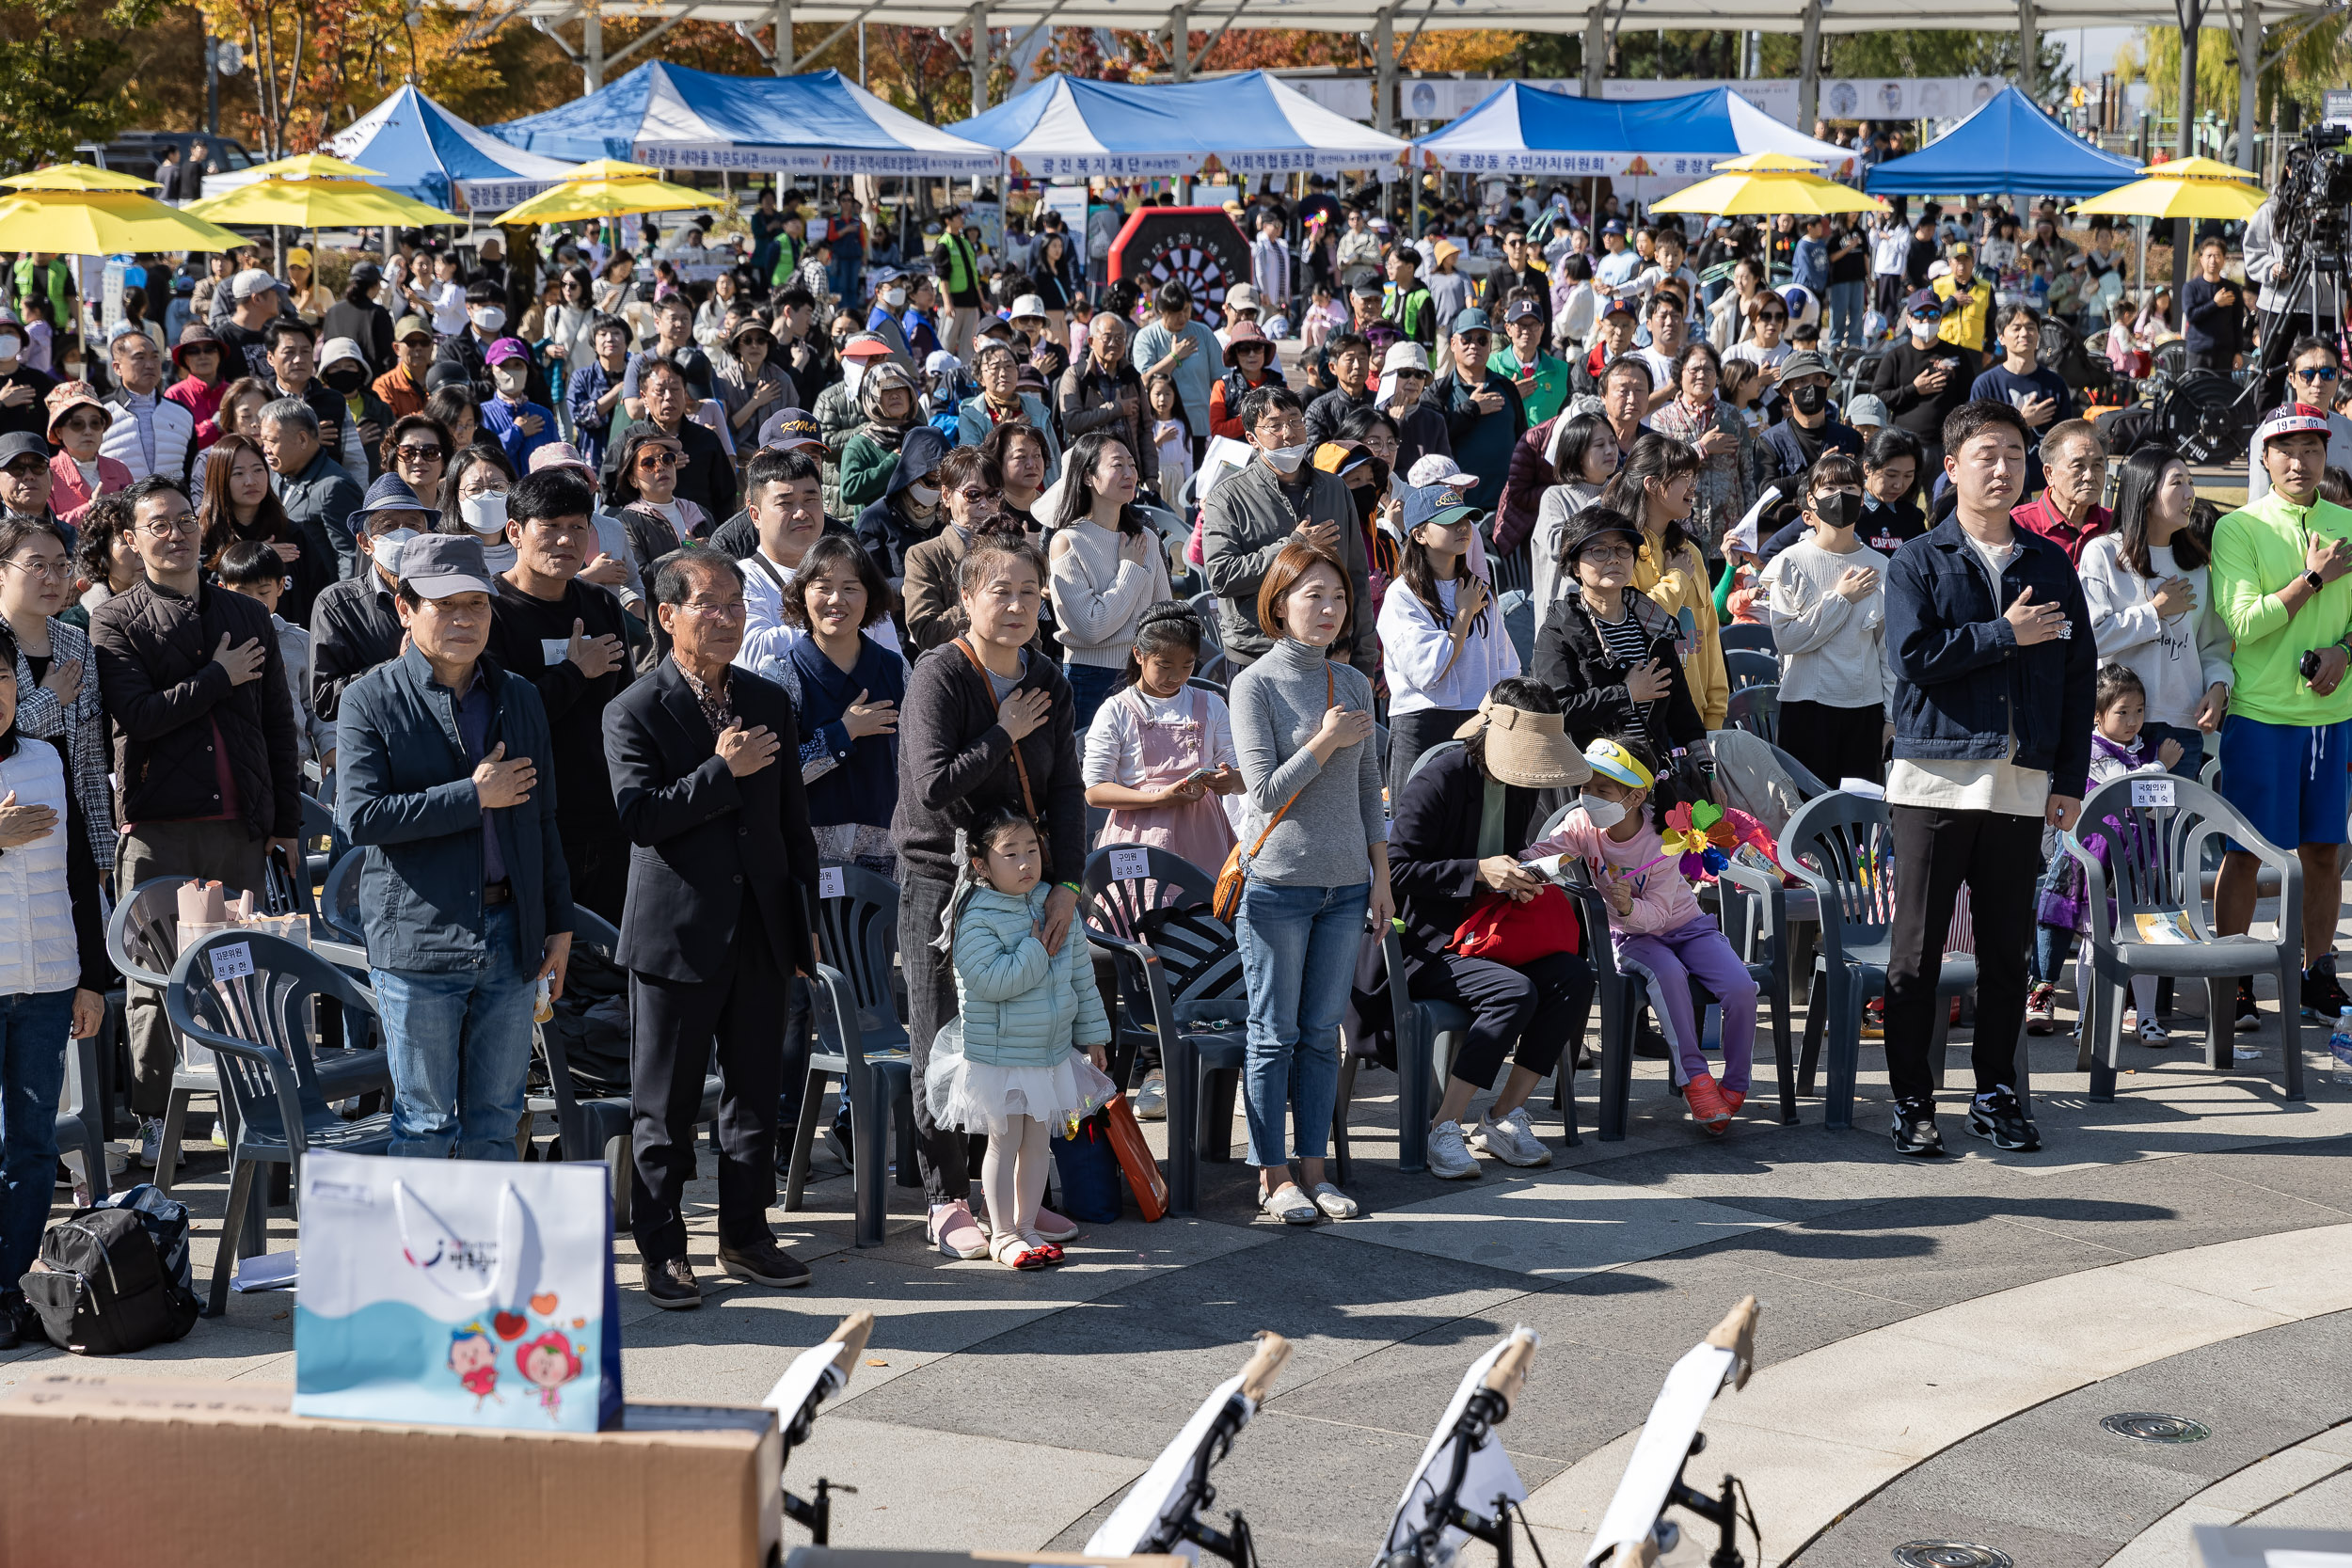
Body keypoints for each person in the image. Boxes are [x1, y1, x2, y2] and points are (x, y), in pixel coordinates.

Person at [602, 547, 819, 1305]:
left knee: (755, 1093)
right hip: (675, 936)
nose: (728, 617)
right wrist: (721, 771)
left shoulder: (768, 699)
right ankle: (663, 1248)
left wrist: (802, 924)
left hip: (761, 927)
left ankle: (746, 1233)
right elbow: (639, 816)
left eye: (736, 603)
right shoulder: (633, 707)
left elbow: (796, 824)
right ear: (668, 615)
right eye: (711, 604)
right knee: (663, 1106)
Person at [1881, 400, 2094, 1157]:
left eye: (2014, 453)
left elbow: (2077, 676)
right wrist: (2003, 633)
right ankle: (1911, 1098)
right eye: (1986, 454)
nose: (2003, 468)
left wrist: (2069, 776)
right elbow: (1912, 656)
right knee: (1917, 951)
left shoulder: (2050, 562)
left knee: (2008, 953)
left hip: (2022, 781)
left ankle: (1996, 1092)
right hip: (1935, 778)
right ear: (1953, 467)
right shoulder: (1917, 559)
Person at [338, 531, 572, 1162]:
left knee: (497, 1119)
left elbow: (544, 819)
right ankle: (419, 1261)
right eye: (447, 605)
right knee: (424, 1122)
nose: (466, 618)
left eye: (478, 603)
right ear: (405, 609)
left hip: (511, 934)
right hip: (419, 937)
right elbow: (359, 816)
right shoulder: (370, 697)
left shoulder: (517, 695)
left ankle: (486, 1260)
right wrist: (471, 796)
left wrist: (557, 923)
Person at [93, 476, 303, 1169]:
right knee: (155, 980)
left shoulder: (248, 616)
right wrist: (216, 675)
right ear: (132, 538)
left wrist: (286, 822)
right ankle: (158, 1118)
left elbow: (278, 721)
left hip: (241, 822)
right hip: (159, 826)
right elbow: (139, 715)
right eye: (159, 524)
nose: (176, 533)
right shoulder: (115, 619)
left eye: (185, 519)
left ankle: (246, 1111)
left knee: (241, 974)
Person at [894, 533, 1087, 1261]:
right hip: (943, 883)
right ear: (965, 599)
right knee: (942, 1037)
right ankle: (946, 1197)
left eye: (1029, 593)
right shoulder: (940, 674)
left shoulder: (1051, 677)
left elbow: (1066, 789)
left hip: (1027, 880)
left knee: (1030, 1034)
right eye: (999, 592)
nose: (1014, 606)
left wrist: (1068, 881)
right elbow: (933, 785)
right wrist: (1003, 732)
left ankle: (1014, 1200)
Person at [1227, 541, 1388, 1225]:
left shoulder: (1352, 683)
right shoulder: (1253, 683)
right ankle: (1273, 1175)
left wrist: (1381, 880)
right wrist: (1323, 740)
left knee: (1324, 1033)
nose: (1328, 609)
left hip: (1347, 884)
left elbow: (1370, 789)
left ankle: (1316, 1169)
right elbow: (1262, 791)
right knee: (1273, 1035)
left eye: (1338, 597)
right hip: (1278, 885)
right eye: (1312, 595)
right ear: (1279, 604)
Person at [1384, 680, 1592, 1176]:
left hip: (1490, 930)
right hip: (1430, 944)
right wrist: (1478, 872)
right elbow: (1394, 870)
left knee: (1574, 978)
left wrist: (1519, 878)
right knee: (1513, 993)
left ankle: (1503, 1115)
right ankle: (1444, 1125)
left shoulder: (1519, 781)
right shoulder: (1441, 778)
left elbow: (1509, 851)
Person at [1524, 734, 1757, 1132]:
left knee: (1741, 988)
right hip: (1632, 940)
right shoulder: (1582, 825)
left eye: (1602, 789)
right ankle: (1696, 1081)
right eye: (1585, 787)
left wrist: (1630, 905)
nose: (1588, 796)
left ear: (1635, 797)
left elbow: (1662, 912)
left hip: (1688, 928)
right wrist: (1518, 865)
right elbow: (1545, 852)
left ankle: (1735, 1084)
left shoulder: (1666, 840)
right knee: (1667, 975)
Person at [921, 802, 1116, 1270]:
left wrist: (1093, 1036)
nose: (1027, 862)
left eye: (1032, 849)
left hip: (1048, 1052)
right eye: (1011, 853)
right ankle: (1003, 1231)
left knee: (1038, 1144)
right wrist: (1034, 945)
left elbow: (1080, 978)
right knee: (1003, 1143)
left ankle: (1026, 1225)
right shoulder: (975, 915)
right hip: (1001, 1056)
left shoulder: (1053, 902)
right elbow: (991, 980)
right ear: (980, 864)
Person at [2209, 403, 2352, 1030]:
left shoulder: (2347, 522)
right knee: (2245, 852)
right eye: (2286, 449)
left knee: (2324, 851)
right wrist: (2312, 579)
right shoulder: (2238, 529)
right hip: (2261, 714)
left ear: (2327, 456)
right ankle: (2235, 974)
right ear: (2264, 459)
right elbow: (2244, 622)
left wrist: (2344, 651)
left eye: (2313, 449)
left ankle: (2317, 973)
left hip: (2330, 716)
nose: (2300, 461)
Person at [0, 614, 112, 1348]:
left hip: (45, 983)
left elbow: (77, 876)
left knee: (33, 1145)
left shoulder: (45, 755)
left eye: (4, 678)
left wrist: (91, 979)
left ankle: (12, 1288)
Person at [482, 467, 633, 924]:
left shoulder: (602, 604)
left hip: (604, 816)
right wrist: (574, 671)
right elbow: (503, 723)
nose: (566, 541)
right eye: (550, 527)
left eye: (577, 527)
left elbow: (623, 707)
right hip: (530, 819)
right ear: (515, 532)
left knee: (608, 963)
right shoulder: (489, 612)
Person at [2026, 663, 2190, 1043]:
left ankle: (2146, 1016)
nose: (2133, 720)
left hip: (2140, 860)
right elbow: (2124, 784)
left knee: (2146, 937)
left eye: (2139, 710)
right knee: (2093, 940)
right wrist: (2161, 766)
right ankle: (2088, 1017)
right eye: (2122, 712)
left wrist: (2155, 777)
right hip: (2097, 859)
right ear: (2098, 716)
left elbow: (2152, 805)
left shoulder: (2143, 749)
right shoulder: (2092, 750)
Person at [1200, 385, 1377, 677]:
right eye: (1275, 425)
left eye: (1296, 421)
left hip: (1327, 650)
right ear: (1252, 439)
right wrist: (1291, 547)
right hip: (1257, 653)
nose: (1289, 433)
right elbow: (1222, 576)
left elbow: (1356, 576)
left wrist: (1365, 657)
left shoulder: (1334, 489)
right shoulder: (1228, 496)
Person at [771, 531, 904, 881]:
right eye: (823, 586)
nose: (837, 600)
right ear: (802, 593)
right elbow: (775, 774)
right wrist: (843, 733)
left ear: (869, 596)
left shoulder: (896, 669)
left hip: (888, 853)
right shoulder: (781, 674)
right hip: (808, 853)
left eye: (850, 587)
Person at [1379, 480, 1518, 799]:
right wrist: (1464, 614)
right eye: (1448, 521)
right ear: (1419, 534)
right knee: (1418, 829)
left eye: (1466, 519)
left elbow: (1506, 665)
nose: (1463, 527)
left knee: (1469, 828)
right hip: (1422, 723)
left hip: (1479, 720)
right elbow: (1427, 671)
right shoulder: (1402, 594)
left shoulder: (1479, 590)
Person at [1760, 453, 1891, 786]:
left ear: (1862, 499)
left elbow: (1888, 652)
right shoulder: (1791, 561)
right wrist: (1841, 599)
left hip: (1865, 709)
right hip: (1806, 708)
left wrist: (1891, 716)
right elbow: (1788, 638)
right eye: (1829, 487)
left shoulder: (1881, 565)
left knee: (1860, 815)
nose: (1840, 496)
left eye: (1849, 487)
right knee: (1806, 810)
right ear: (1811, 500)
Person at [0, 518, 112, 871]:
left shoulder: (75, 640)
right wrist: (50, 699)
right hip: (12, 819)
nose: (52, 578)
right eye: (37, 566)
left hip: (70, 824)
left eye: (61, 565)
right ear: (1, 573)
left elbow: (91, 756)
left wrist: (101, 850)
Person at [1600, 434, 1728, 733]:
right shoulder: (1619, 555)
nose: (1693, 485)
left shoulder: (1690, 552)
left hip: (1697, 723)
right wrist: (1677, 580)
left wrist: (1715, 718)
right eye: (1684, 477)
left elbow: (1710, 637)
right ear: (1653, 485)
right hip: (1641, 724)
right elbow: (1635, 626)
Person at [1048, 432, 1169, 729]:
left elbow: (1164, 617)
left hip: (1142, 676)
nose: (1130, 474)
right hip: (1089, 678)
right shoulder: (1067, 541)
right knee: (1092, 773)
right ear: (1089, 477)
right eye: (1118, 465)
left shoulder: (1147, 539)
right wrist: (1129, 570)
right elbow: (1091, 628)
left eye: (1132, 464)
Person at [311, 476, 437, 730]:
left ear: (427, 535)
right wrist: (395, 668)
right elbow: (325, 701)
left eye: (413, 525)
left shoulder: (447, 595)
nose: (403, 533)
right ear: (366, 543)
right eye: (389, 526)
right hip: (378, 737)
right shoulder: (337, 605)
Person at [196, 431, 331, 630]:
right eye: (238, 473)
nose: (250, 481)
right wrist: (254, 557)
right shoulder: (203, 536)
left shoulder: (290, 533)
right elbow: (198, 596)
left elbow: (318, 594)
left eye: (258, 470)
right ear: (220, 479)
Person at [215, 539, 330, 770]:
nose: (254, 601)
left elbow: (317, 705)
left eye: (263, 592)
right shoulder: (215, 643)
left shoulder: (300, 640)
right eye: (242, 592)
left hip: (291, 764)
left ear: (280, 586)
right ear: (222, 589)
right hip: (230, 765)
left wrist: (329, 746)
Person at [1645, 342, 1751, 553]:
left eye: (1708, 369)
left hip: (1728, 531)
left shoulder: (1733, 417)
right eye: (1694, 369)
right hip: (1680, 529)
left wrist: (1749, 525)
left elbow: (1747, 474)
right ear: (1680, 374)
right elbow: (1661, 470)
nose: (1701, 375)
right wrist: (1702, 448)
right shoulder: (1662, 420)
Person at [259, 396, 364, 581]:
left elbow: (350, 557)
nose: (265, 449)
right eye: (263, 441)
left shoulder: (335, 486)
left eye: (271, 441)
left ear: (302, 439)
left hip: (321, 601)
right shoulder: (276, 476)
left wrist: (342, 606)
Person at [1871, 291, 1976, 474]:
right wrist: (1914, 389)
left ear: (1941, 319)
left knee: (1942, 501)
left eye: (1933, 315)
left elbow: (1969, 399)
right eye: (1919, 316)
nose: (1926, 321)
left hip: (1944, 444)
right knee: (1902, 499)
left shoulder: (1957, 355)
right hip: (1904, 444)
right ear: (1909, 320)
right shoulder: (1895, 356)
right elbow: (1878, 397)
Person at [1530, 412, 1619, 619]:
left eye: (1613, 442)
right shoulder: (1556, 496)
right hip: (1564, 620)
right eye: (1599, 445)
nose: (1610, 450)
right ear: (1577, 453)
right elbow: (1556, 546)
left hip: (1610, 614)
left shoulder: (1618, 496)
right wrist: (1599, 503)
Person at [2247, 336, 2352, 501]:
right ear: (2292, 379)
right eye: (2308, 374)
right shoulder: (2271, 430)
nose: (2318, 382)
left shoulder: (2348, 429)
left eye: (2327, 373)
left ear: (2338, 376)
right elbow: (2258, 501)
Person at [1131, 283, 1222, 467]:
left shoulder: (1203, 333)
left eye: (1187, 310)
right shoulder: (1146, 337)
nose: (1183, 317)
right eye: (1175, 312)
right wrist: (1174, 357)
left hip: (1200, 426)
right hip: (1162, 428)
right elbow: (1144, 381)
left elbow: (1220, 381)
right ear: (1161, 311)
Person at [100, 327, 196, 487]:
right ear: (117, 367)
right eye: (140, 358)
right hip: (119, 509)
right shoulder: (99, 414)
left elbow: (191, 472)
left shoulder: (182, 414)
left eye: (155, 357)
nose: (150, 365)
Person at [2011, 420, 2109, 565]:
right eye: (2078, 466)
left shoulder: (2116, 525)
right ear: (2050, 473)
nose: (2090, 475)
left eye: (2097, 465)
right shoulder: (2018, 525)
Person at [43, 382, 132, 527]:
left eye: (95, 423)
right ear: (59, 431)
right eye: (77, 424)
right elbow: (47, 526)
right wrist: (92, 507)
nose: (88, 431)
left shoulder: (120, 469)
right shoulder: (46, 473)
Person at [479, 337, 559, 474]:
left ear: (528, 370)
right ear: (490, 371)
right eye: (503, 365)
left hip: (538, 494)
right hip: (499, 494)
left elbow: (558, 461)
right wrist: (517, 432)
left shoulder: (544, 415)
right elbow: (483, 460)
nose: (511, 371)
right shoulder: (481, 414)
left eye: (518, 365)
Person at [1489, 297, 1568, 427]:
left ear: (1542, 328)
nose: (1526, 331)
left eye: (1533, 325)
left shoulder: (1562, 371)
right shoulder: (1491, 365)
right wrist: (1509, 396)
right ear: (1508, 329)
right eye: (1520, 325)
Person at [2182, 235, 2245, 373]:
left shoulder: (2232, 289)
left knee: (2220, 392)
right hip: (2198, 352)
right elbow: (2191, 315)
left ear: (2223, 259)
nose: (2213, 260)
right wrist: (2215, 303)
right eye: (2209, 255)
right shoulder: (2191, 287)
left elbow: (2237, 322)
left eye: (2217, 256)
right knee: (2196, 392)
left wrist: (2238, 352)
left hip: (2224, 353)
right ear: (2201, 259)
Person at [1304, 333, 1375, 450]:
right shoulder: (1319, 409)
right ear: (1333, 368)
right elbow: (1312, 455)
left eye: (1362, 358)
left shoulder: (1379, 403)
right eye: (1350, 359)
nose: (1357, 365)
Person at [372, 317, 437, 423]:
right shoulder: (385, 386)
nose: (418, 348)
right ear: (397, 348)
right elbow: (391, 427)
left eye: (424, 342)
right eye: (411, 342)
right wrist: (431, 413)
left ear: (432, 346)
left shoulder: (444, 379)